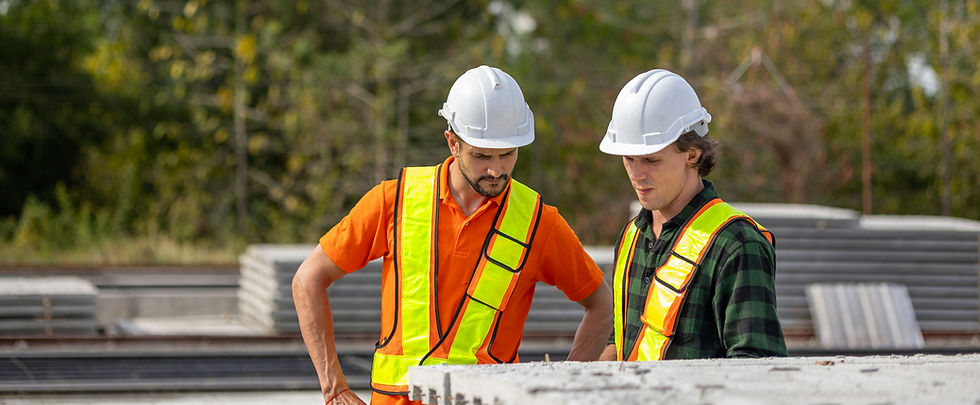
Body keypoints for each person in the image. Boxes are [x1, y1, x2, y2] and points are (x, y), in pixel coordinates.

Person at [293, 65, 613, 405]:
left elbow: (601, 304)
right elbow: (307, 280)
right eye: (481, 155)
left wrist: (563, 386)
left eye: (508, 154)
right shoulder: (394, 201)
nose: (496, 170)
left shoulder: (538, 222)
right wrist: (335, 389)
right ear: (452, 143)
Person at [595, 69, 787, 361]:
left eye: (651, 160)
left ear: (692, 154)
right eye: (628, 159)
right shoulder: (631, 237)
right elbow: (620, 340)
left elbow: (758, 366)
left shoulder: (737, 244)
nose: (636, 174)